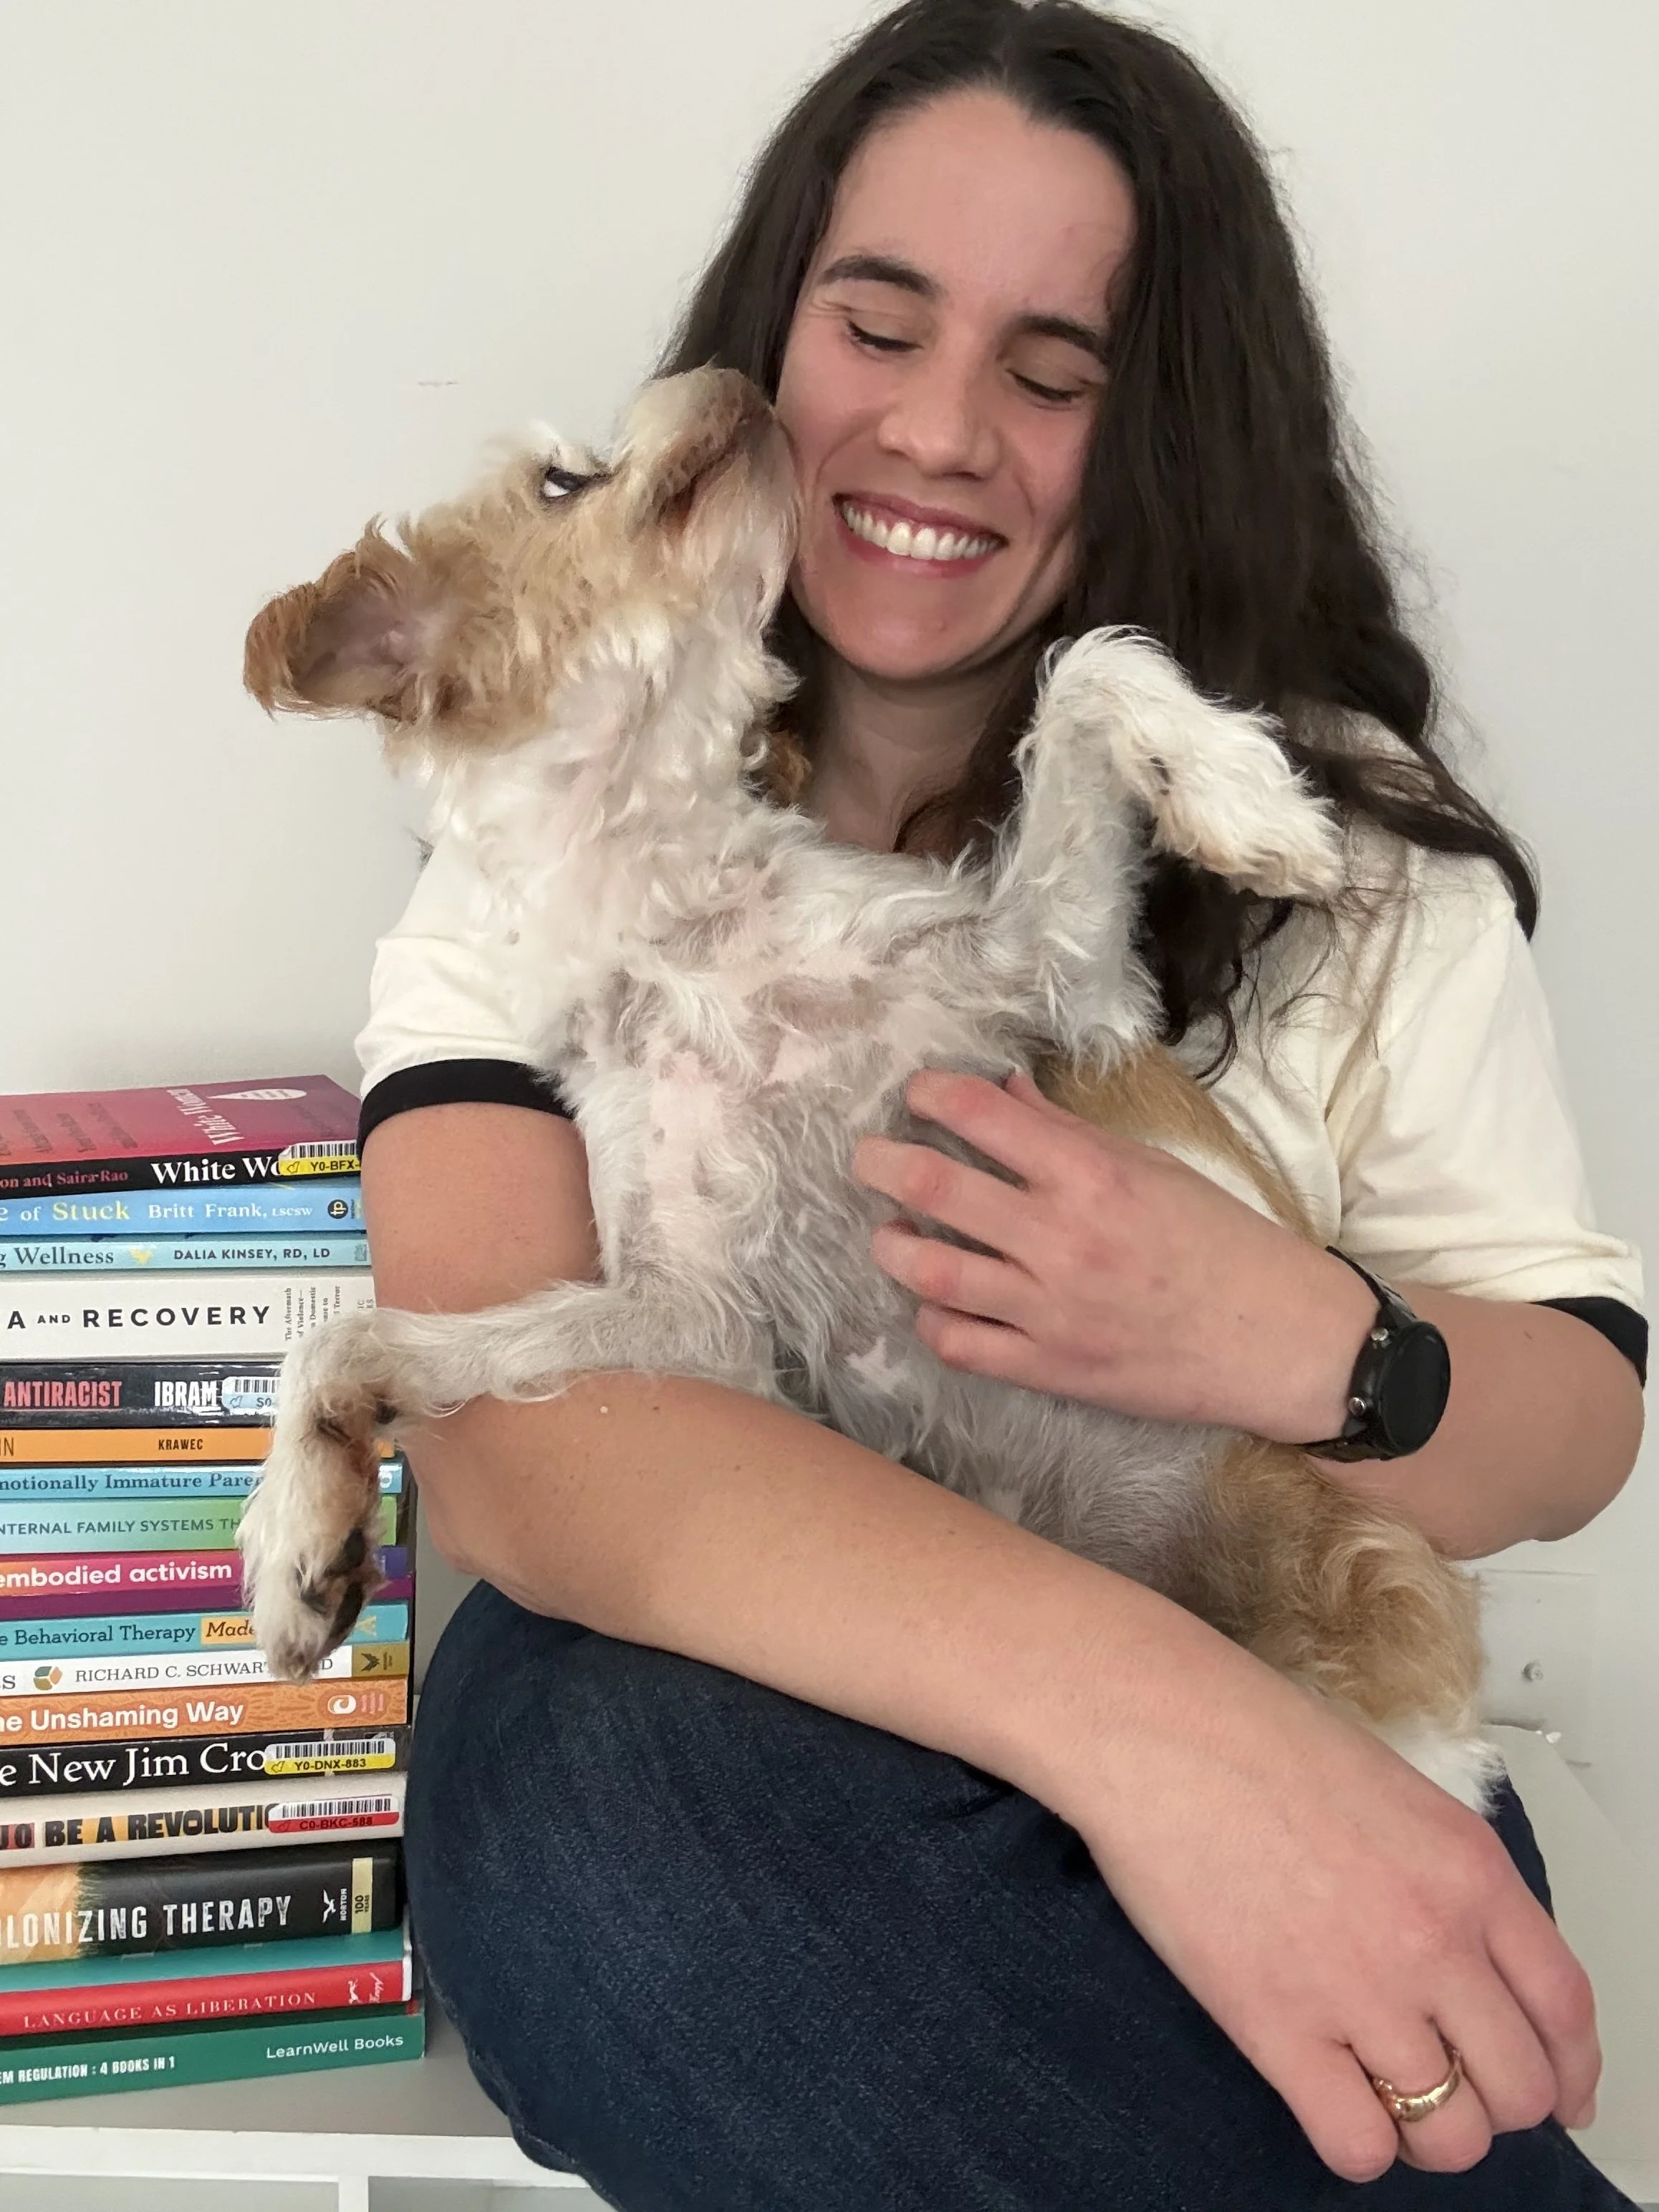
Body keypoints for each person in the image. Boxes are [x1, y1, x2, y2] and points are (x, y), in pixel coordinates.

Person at [353, 3, 1646, 2204]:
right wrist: (1165, 1749)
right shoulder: (547, 842)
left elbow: (1578, 1416)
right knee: (582, 1776)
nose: (941, 432)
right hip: (769, 1742)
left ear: (1162, 438)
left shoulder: (1348, 850)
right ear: (766, 354)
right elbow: (518, 1446)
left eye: (1054, 378)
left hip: (1286, 1673)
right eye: (876, 325)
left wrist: (1306, 1344)